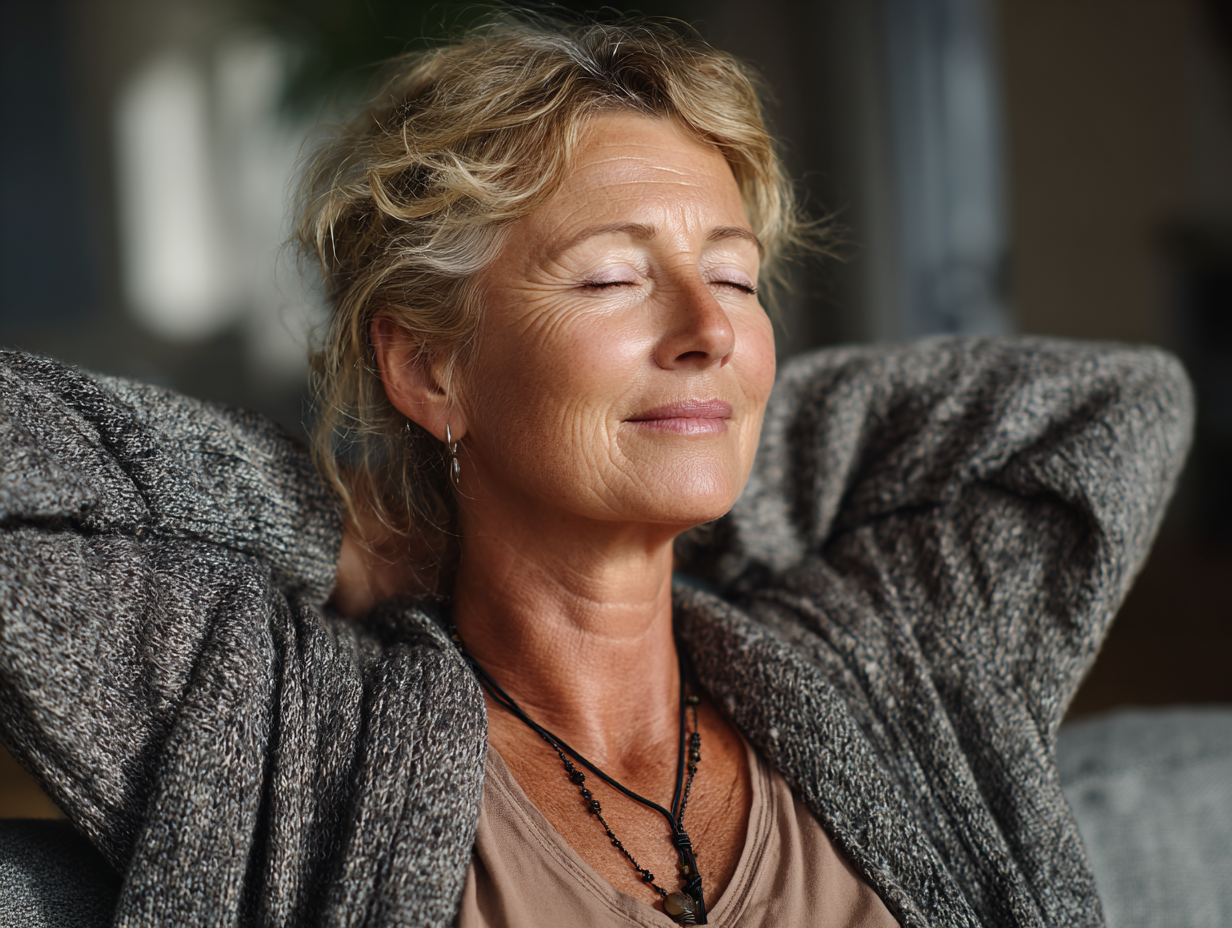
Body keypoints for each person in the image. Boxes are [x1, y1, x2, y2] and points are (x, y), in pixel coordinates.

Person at [0, 16, 1192, 928]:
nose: (708, 329)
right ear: (428, 369)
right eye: (614, 278)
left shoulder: (884, 655)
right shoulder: (280, 717)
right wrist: (330, 521)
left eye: (731, 276)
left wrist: (717, 485)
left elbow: (1109, 410)